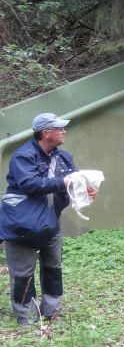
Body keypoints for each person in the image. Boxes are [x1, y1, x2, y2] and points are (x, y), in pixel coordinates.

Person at [1, 113, 92, 325]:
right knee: (23, 274)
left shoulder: (63, 157)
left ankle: (52, 311)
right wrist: (63, 181)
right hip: (22, 225)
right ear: (46, 132)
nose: (64, 131)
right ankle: (28, 317)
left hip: (50, 222)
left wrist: (86, 191)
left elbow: (74, 183)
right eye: (59, 128)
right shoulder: (23, 156)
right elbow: (30, 185)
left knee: (53, 268)